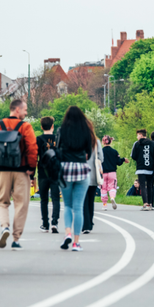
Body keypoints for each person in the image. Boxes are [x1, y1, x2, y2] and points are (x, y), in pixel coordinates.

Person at [0, 99, 38, 249]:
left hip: (2, 170)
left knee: (1, 202)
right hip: (21, 170)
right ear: (17, 110)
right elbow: (32, 147)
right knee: (21, 204)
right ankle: (16, 238)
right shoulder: (25, 127)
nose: (26, 112)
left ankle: (4, 226)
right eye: (25, 110)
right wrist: (31, 168)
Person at [57, 106, 95, 252]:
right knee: (78, 207)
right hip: (81, 167)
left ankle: (67, 232)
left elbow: (58, 148)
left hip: (65, 167)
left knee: (67, 205)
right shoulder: (86, 130)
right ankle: (76, 242)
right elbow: (89, 152)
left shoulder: (62, 130)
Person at [36, 116, 60, 233]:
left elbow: (35, 156)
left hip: (42, 172)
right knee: (55, 198)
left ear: (41, 127)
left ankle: (45, 224)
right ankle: (54, 222)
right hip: (55, 172)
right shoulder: (58, 138)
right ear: (52, 126)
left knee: (44, 199)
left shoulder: (38, 139)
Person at [131, 129, 154, 211]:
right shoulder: (152, 143)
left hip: (140, 168)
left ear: (140, 135)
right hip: (150, 168)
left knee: (142, 186)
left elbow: (133, 156)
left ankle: (145, 204)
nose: (137, 137)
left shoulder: (136, 144)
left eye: (137, 135)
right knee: (150, 186)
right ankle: (150, 204)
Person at [82, 134, 103, 234]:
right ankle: (90, 222)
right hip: (94, 175)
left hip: (82, 175)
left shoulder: (79, 141)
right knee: (91, 200)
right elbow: (101, 158)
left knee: (83, 200)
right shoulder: (96, 141)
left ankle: (85, 224)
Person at [100, 135, 127, 211]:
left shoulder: (100, 152)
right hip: (112, 172)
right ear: (110, 141)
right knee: (112, 187)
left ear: (103, 142)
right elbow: (118, 162)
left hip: (103, 173)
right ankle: (112, 198)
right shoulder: (114, 152)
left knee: (103, 188)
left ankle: (104, 205)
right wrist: (123, 159)